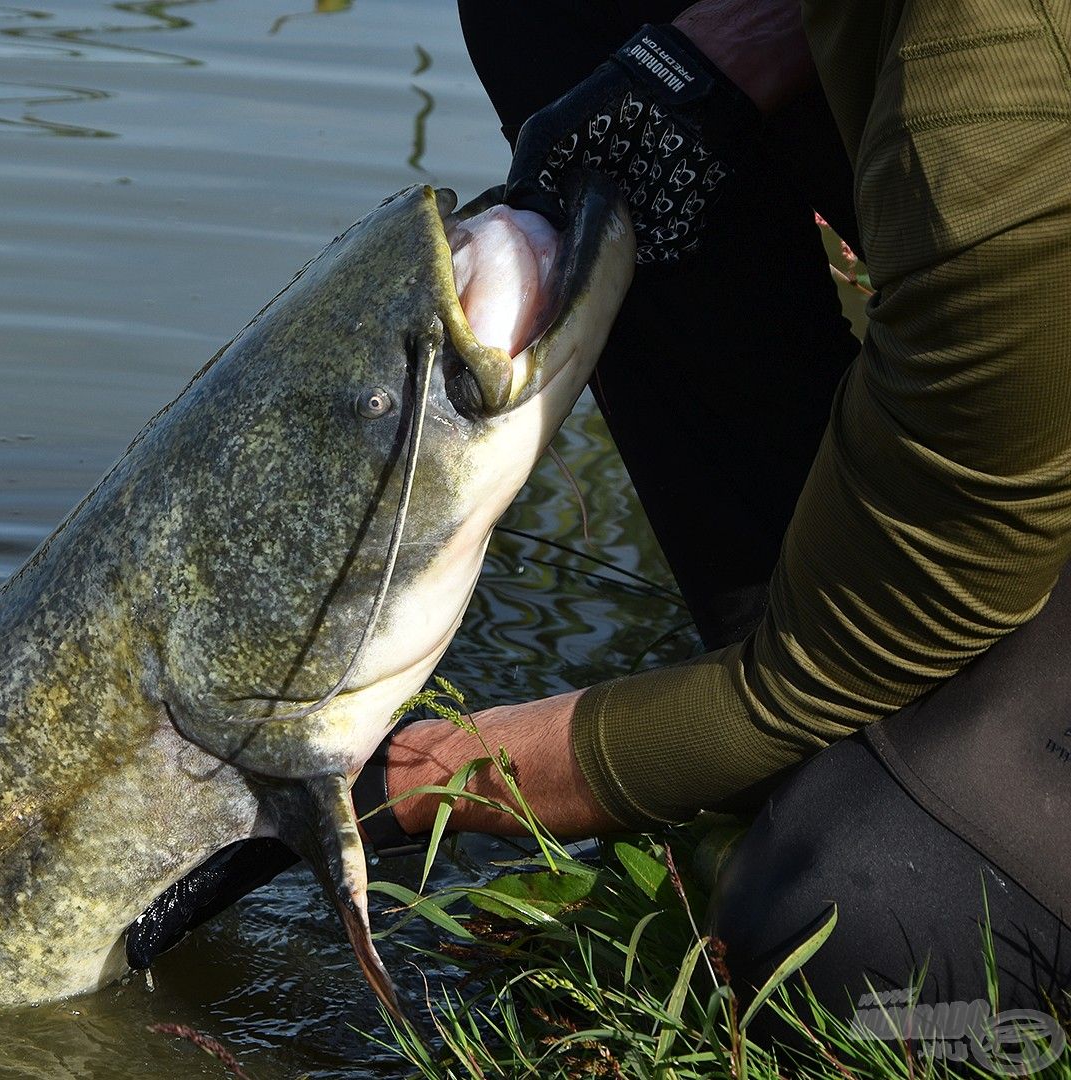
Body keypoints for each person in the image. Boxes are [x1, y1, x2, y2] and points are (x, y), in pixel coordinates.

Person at [131, 0, 1071, 1022]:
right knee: (571, 20)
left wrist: (427, 781)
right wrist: (715, 59)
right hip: (998, 351)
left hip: (988, 390)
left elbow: (823, 673)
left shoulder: (981, 155)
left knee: (866, 920)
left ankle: (875, 775)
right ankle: (801, 685)